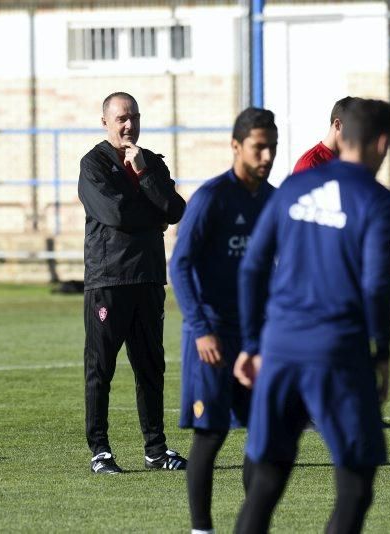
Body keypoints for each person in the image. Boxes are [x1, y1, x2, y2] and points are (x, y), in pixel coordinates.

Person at [234, 99, 390, 533]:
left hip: (281, 347)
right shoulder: (378, 201)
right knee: (355, 482)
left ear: (342, 133)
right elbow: (376, 284)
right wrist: (381, 351)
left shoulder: (293, 186)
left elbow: (253, 266)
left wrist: (253, 344)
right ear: (381, 142)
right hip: (338, 352)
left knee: (267, 478)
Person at [170, 108, 278, 534]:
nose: (267, 155)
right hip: (211, 336)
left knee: (262, 435)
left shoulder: (272, 200)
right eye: (258, 147)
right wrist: (201, 330)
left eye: (272, 146)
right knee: (210, 434)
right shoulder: (211, 197)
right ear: (236, 146)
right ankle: (202, 530)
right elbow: (179, 266)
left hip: (255, 340)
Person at [78, 91, 187, 474]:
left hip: (148, 279)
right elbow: (116, 213)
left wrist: (143, 174)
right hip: (108, 280)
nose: (129, 125)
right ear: (105, 120)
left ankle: (156, 451)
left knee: (150, 368)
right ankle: (100, 451)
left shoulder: (151, 162)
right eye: (122, 118)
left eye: (134, 117)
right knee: (101, 368)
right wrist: (153, 215)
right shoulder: (93, 164)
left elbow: (175, 210)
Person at [293, 96, 359, 173]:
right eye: (355, 128)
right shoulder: (310, 165)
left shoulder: (350, 160)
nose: (360, 135)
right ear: (338, 125)